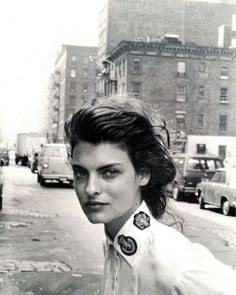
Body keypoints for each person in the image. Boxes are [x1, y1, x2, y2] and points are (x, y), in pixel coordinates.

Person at [64, 97, 236, 295]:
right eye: (80, 173)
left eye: (109, 172)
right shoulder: (113, 244)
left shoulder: (176, 265)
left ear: (143, 173)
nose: (90, 188)